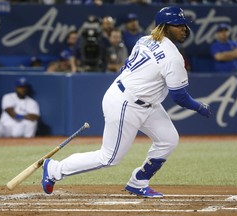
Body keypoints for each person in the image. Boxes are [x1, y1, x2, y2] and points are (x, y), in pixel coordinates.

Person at [41, 6, 211, 198]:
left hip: (144, 101)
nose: (184, 29)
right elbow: (179, 97)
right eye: (178, 25)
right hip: (126, 102)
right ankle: (55, 169)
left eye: (184, 25)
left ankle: (138, 181)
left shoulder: (145, 39)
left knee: (168, 139)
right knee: (110, 157)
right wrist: (199, 107)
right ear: (164, 27)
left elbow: (125, 66)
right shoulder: (173, 57)